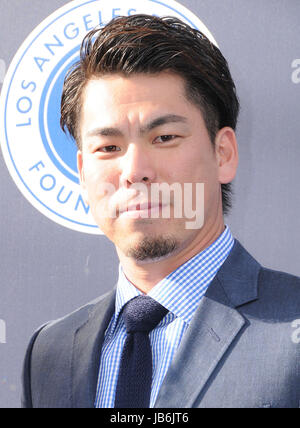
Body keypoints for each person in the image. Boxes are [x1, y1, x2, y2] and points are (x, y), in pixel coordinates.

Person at [22, 14, 299, 408]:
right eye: (108, 147)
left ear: (223, 154)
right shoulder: (50, 353)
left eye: (164, 137)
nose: (135, 171)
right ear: (83, 173)